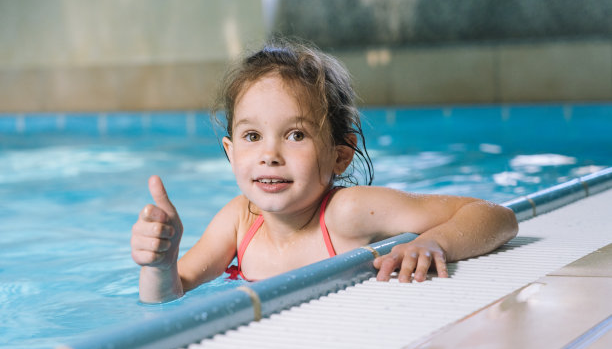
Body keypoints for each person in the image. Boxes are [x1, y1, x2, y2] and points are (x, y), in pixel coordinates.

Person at [131, 39, 518, 303]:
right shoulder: (239, 221)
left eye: (295, 134)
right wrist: (160, 265)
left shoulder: (345, 213)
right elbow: (167, 297)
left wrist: (435, 243)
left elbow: (497, 216)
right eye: (252, 135)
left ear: (340, 154)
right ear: (230, 153)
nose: (270, 154)